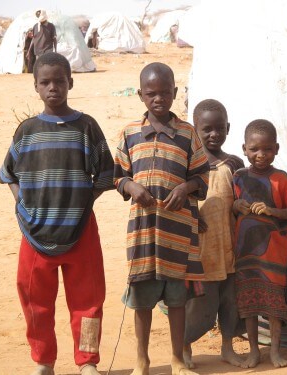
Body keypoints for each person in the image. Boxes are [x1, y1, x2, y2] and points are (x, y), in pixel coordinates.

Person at [0, 52, 114, 375]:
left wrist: (81, 203)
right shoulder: (27, 131)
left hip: (81, 233)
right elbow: (8, 174)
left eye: (59, 81)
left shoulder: (86, 127)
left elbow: (105, 174)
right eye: (45, 82)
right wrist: (24, 206)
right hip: (35, 236)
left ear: (70, 83)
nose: (53, 88)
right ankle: (44, 361)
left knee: (88, 302)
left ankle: (87, 361)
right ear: (35, 86)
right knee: (36, 303)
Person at [113, 62, 210, 375]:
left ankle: (178, 360)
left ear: (175, 93)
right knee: (141, 297)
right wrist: (130, 185)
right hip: (142, 233)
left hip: (177, 232)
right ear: (141, 94)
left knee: (177, 299)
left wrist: (186, 187)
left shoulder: (187, 134)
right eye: (151, 93)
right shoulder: (129, 134)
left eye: (165, 92)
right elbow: (117, 175)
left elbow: (201, 175)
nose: (159, 99)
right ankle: (142, 360)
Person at [232, 119, 287, 368]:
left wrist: (272, 211)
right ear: (244, 149)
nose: (261, 155)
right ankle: (253, 351)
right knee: (248, 306)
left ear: (277, 149)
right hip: (245, 256)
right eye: (254, 149)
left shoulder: (281, 179)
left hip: (273, 255)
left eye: (267, 149)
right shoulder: (238, 178)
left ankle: (274, 351)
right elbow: (230, 208)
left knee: (274, 307)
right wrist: (235, 205)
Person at [182, 99, 246, 369]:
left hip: (229, 244)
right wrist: (194, 216)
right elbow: (182, 199)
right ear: (195, 130)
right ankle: (184, 347)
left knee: (231, 301)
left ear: (228, 128)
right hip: (200, 249)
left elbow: (242, 198)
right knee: (199, 304)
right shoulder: (189, 165)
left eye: (219, 128)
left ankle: (228, 347)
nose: (213, 134)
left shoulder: (234, 163)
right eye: (206, 129)